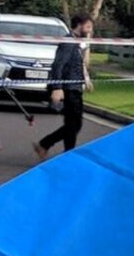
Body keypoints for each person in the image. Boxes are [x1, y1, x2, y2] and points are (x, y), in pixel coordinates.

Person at [33, 14, 94, 161]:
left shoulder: (78, 43)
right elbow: (58, 65)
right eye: (88, 27)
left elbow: (79, 64)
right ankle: (52, 147)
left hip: (75, 87)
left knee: (73, 124)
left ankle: (52, 147)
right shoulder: (68, 42)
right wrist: (57, 87)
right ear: (79, 25)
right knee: (74, 125)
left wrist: (86, 79)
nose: (90, 30)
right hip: (68, 88)